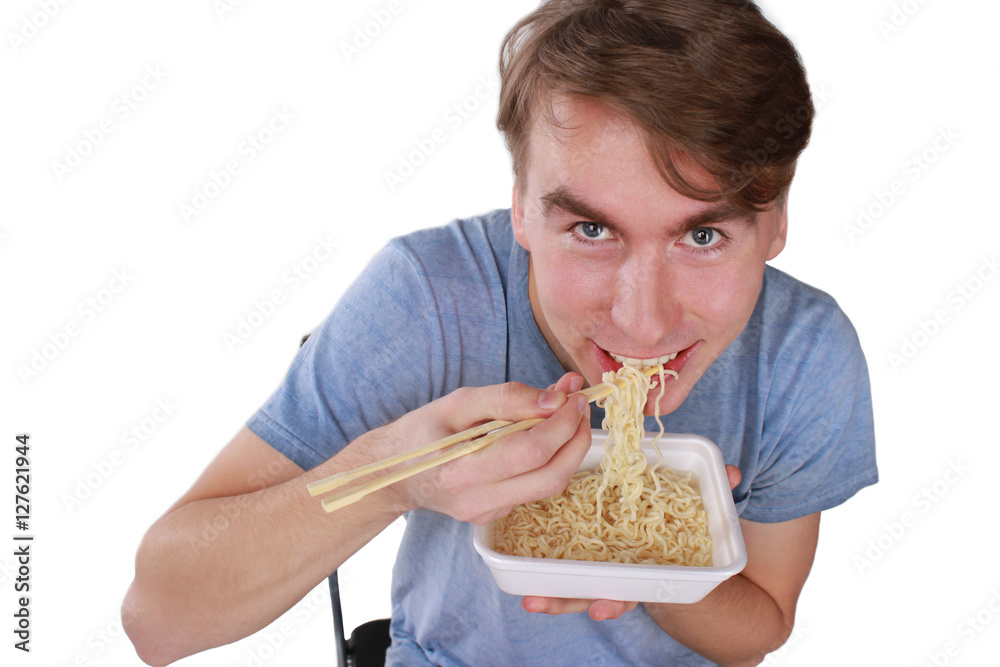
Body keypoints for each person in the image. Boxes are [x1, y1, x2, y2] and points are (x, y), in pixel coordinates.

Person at [122, 1, 877, 665]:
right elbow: (157, 620)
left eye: (703, 236)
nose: (644, 323)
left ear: (775, 221)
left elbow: (759, 628)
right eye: (590, 227)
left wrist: (636, 558)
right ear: (520, 208)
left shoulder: (803, 354)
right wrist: (399, 472)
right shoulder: (427, 297)